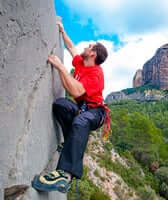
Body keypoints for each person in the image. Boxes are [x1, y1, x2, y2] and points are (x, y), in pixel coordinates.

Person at [32, 21, 110, 193]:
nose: (85, 47)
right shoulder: (82, 62)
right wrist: (62, 30)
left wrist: (60, 66)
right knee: (60, 105)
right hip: (83, 109)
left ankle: (65, 175)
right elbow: (72, 48)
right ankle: (69, 143)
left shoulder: (97, 74)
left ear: (93, 53)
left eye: (89, 46)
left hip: (96, 113)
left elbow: (75, 90)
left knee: (81, 121)